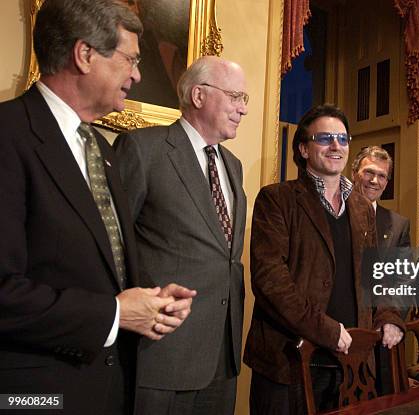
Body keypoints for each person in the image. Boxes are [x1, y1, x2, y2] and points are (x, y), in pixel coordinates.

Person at [0, 1, 195, 414]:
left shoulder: (100, 151)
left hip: (106, 388)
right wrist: (115, 313)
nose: (138, 75)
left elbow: (92, 264)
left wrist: (149, 303)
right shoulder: (8, 136)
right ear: (85, 54)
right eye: (130, 59)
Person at [244, 104, 404, 414]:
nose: (336, 146)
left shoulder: (360, 206)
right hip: (289, 362)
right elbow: (270, 282)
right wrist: (329, 332)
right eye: (325, 138)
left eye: (343, 139)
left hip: (351, 363)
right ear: (303, 148)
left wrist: (388, 316)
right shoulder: (276, 199)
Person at [113, 55, 248, 415]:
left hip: (222, 353)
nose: (243, 109)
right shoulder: (143, 149)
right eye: (235, 96)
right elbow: (113, 246)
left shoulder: (233, 166)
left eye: (245, 99)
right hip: (163, 353)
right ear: (199, 96)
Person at [351, 145, 411, 394]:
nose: (375, 181)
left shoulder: (398, 224)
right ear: (354, 172)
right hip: (344, 336)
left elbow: (404, 280)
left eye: (383, 175)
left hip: (383, 339)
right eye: (369, 172)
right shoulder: (335, 214)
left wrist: (393, 320)